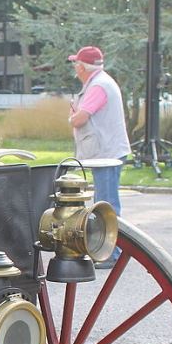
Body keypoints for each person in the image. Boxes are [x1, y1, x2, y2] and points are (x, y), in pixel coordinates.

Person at [67, 45, 131, 267]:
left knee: (107, 205)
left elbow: (81, 118)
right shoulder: (101, 82)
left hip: (106, 153)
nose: (75, 68)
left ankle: (112, 253)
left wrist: (72, 117)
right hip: (107, 152)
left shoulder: (98, 86)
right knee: (107, 202)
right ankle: (112, 251)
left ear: (83, 66)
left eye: (76, 63)